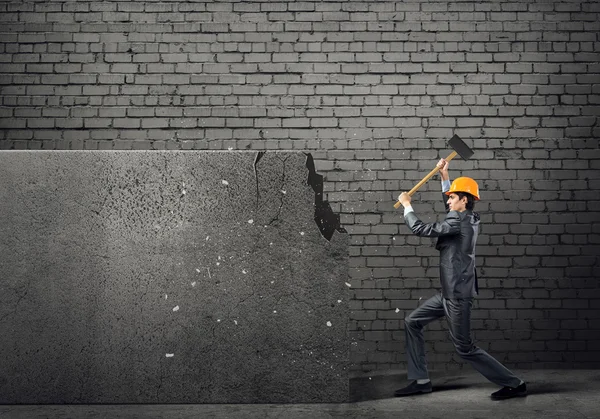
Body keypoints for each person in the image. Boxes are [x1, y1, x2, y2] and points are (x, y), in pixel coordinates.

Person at [393, 158, 527, 400]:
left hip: (456, 294)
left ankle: (515, 384)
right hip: (449, 292)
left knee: (465, 348)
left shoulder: (458, 221)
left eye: (452, 197)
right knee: (412, 322)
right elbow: (451, 211)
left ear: (464, 200)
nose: (448, 200)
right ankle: (421, 380)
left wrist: (407, 206)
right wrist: (445, 176)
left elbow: (421, 229)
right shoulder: (469, 218)